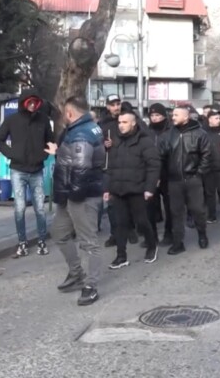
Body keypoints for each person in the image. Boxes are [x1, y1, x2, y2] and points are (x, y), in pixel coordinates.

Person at [48, 96, 105, 306]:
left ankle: (90, 285)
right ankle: (76, 274)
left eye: (64, 112)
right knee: (59, 233)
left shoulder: (81, 133)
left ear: (69, 113)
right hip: (71, 193)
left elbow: (81, 168)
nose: (63, 116)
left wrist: (73, 196)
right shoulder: (83, 128)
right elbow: (72, 161)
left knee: (88, 241)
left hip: (80, 195)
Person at [0, 89, 54, 257]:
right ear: (24, 102)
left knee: (40, 208)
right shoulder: (12, 120)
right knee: (19, 208)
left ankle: (42, 241)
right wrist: (11, 154)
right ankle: (22, 243)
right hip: (18, 170)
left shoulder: (43, 120)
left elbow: (51, 140)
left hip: (37, 169)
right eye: (30, 102)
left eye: (35, 102)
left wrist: (44, 154)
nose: (33, 105)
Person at [105, 110, 161, 269]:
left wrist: (149, 188)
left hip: (138, 189)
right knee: (120, 224)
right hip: (119, 190)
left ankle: (151, 245)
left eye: (125, 122)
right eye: (120, 122)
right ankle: (121, 256)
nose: (121, 126)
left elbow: (153, 166)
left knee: (142, 221)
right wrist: (107, 188)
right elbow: (111, 167)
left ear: (133, 123)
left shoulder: (145, 141)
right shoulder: (116, 141)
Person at [158, 105, 211, 255]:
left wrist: (199, 173)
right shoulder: (168, 135)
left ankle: (202, 234)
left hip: (193, 179)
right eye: (172, 115)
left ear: (186, 117)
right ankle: (178, 242)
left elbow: (206, 155)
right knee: (175, 213)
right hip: (174, 181)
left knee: (198, 210)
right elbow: (160, 157)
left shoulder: (200, 134)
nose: (172, 117)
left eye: (176, 115)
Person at [98, 94, 133, 247]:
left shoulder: (128, 119)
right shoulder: (102, 124)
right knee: (111, 203)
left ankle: (130, 229)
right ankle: (114, 233)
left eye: (118, 103)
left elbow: (134, 138)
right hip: (108, 167)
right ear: (107, 106)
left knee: (128, 200)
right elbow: (95, 143)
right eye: (112, 104)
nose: (116, 107)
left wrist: (116, 142)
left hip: (126, 166)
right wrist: (103, 144)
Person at [147, 103, 174, 246]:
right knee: (149, 206)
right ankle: (151, 236)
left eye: (158, 115)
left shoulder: (172, 131)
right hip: (151, 173)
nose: (155, 118)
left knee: (170, 207)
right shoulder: (146, 131)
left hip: (167, 173)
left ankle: (169, 234)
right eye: (152, 115)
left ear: (164, 116)